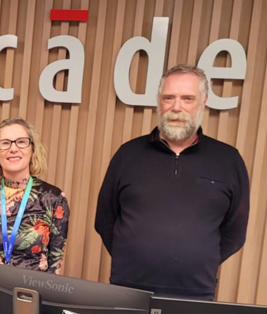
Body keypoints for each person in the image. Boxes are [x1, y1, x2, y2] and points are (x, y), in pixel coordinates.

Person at [95, 64, 250, 299]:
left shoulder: (228, 160)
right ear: (159, 101)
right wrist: (130, 255)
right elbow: (105, 218)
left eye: (187, 98)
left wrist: (200, 259)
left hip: (195, 292)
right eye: (169, 98)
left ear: (203, 101)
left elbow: (235, 231)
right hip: (127, 287)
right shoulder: (128, 154)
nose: (176, 107)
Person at [0, 118, 69, 272]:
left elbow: (55, 261)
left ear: (32, 149)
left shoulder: (53, 198)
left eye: (21, 142)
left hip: (30, 290)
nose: (13, 149)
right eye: (5, 143)